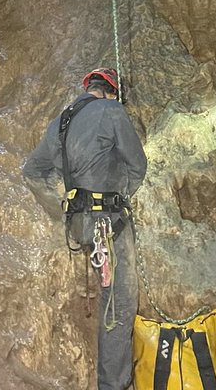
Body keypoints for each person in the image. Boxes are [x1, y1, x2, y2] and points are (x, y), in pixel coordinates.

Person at [23, 67, 147, 390]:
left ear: (87, 88)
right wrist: (121, 196)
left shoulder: (59, 124)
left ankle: (113, 381)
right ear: (110, 91)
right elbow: (139, 165)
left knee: (109, 295)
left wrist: (61, 207)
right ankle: (113, 386)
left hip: (84, 230)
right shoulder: (112, 110)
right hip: (111, 226)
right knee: (119, 303)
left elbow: (32, 172)